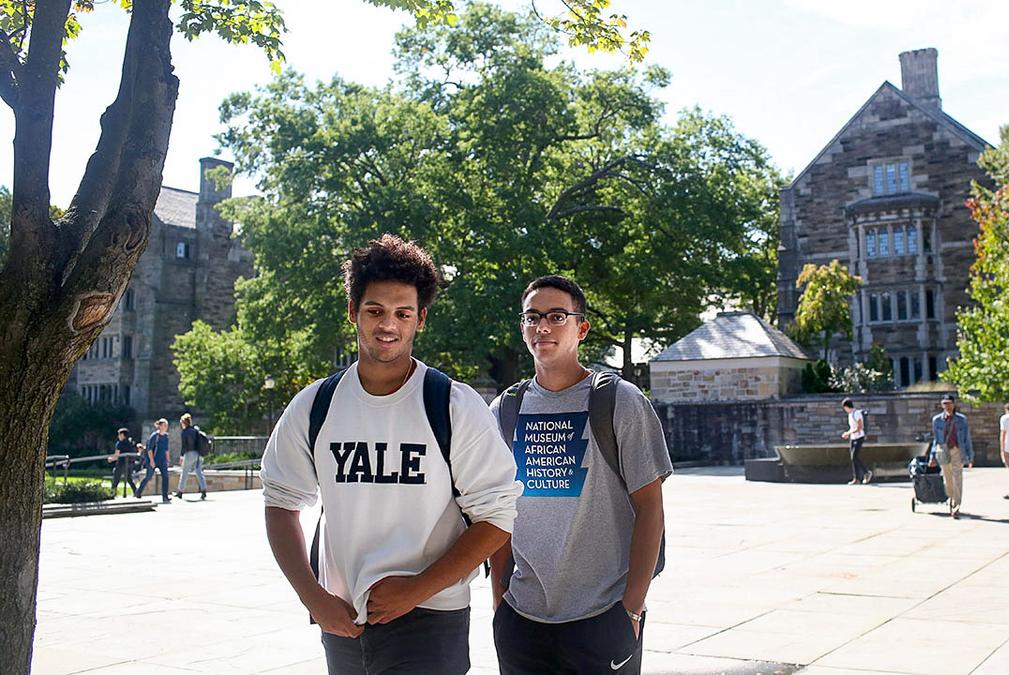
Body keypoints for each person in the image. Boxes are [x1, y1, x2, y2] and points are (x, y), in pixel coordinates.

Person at [259, 235, 520, 675]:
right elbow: (280, 503)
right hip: (344, 619)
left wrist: (417, 589)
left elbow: (498, 517)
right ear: (353, 312)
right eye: (375, 311)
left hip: (431, 619)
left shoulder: (452, 404)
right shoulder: (315, 404)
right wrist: (313, 596)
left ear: (421, 319)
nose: (388, 325)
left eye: (403, 313)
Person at [489, 275, 672, 675]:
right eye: (532, 317)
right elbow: (496, 512)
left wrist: (631, 608)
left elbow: (650, 509)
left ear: (582, 328)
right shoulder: (504, 410)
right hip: (522, 618)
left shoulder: (620, 401)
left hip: (603, 616)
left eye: (557, 316)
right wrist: (500, 603)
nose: (543, 327)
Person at [931, 394, 973, 519]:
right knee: (947, 479)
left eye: (949, 403)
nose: (947, 406)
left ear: (954, 404)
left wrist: (970, 455)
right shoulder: (937, 420)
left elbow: (967, 438)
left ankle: (956, 506)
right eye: (945, 403)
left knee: (957, 478)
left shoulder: (961, 420)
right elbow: (936, 439)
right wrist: (932, 456)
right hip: (943, 450)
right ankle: (951, 499)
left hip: (957, 450)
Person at [135, 418, 171, 503]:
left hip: (162, 460)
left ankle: (165, 496)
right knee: (148, 477)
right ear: (160, 426)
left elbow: (166, 450)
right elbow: (150, 449)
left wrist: (168, 459)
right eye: (164, 425)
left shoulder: (166, 437)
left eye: (166, 425)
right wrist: (151, 461)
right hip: (153, 460)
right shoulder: (154, 436)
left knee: (165, 477)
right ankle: (138, 492)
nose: (166, 427)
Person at [176, 413, 208, 501]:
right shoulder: (196, 430)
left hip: (190, 453)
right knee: (199, 472)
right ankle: (204, 490)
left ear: (184, 422)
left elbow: (184, 446)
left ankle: (180, 492)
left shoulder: (185, 432)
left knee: (184, 472)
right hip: (199, 454)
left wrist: (181, 456)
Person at [841, 398, 871, 485]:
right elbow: (852, 427)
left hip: (859, 437)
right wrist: (848, 433)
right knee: (853, 458)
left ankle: (866, 472)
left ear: (847, 406)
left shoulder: (856, 413)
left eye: (844, 408)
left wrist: (848, 433)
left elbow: (859, 427)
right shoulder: (850, 415)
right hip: (853, 438)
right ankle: (856, 479)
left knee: (854, 457)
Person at [108, 427, 137, 494]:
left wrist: (111, 459)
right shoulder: (130, 443)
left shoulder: (119, 443)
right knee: (129, 479)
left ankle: (112, 493)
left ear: (122, 435)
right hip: (130, 463)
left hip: (121, 463)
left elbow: (117, 455)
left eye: (119, 434)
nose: (118, 436)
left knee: (116, 479)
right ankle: (136, 492)